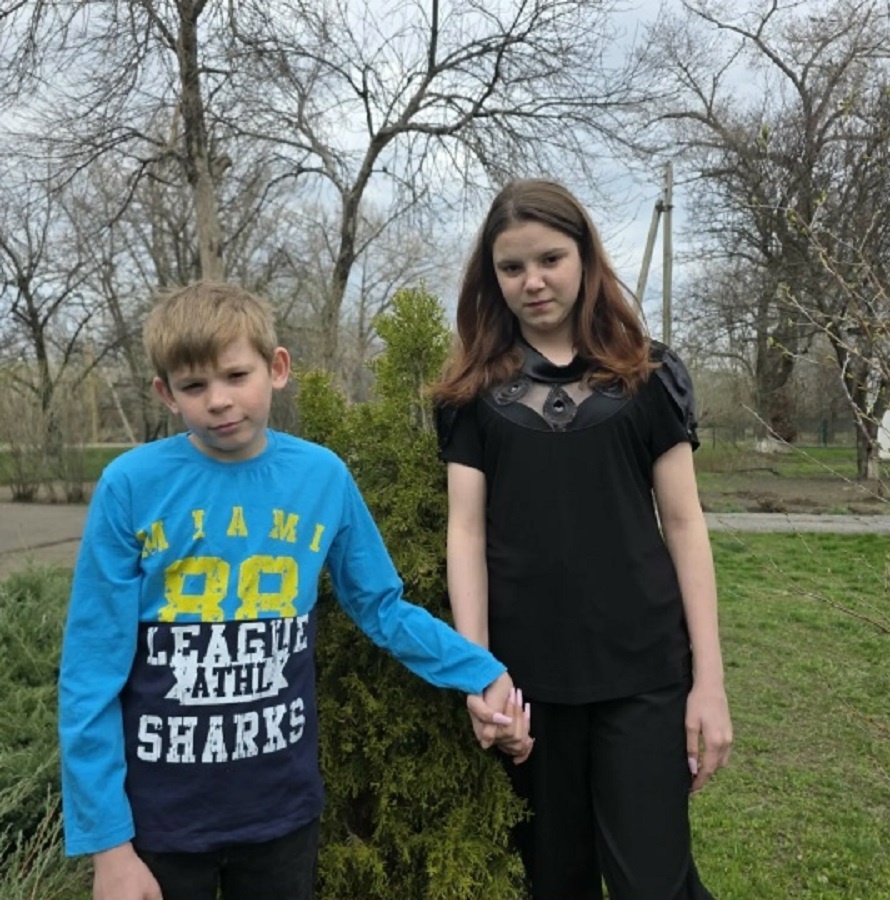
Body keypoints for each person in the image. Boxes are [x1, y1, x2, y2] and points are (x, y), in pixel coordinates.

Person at [58, 281, 531, 900]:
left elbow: (382, 608)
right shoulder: (130, 486)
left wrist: (481, 671)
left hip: (281, 814)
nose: (219, 400)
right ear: (166, 394)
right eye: (194, 386)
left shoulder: (321, 477)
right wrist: (109, 848)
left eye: (236, 375)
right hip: (159, 823)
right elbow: (91, 672)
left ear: (277, 368)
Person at [431, 178, 734, 899]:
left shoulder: (648, 376)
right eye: (512, 267)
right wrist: (479, 673)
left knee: (653, 882)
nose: (533, 281)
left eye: (550, 259)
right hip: (529, 686)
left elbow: (685, 525)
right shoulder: (472, 394)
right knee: (552, 881)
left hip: (646, 675)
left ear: (585, 258)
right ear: (492, 276)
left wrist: (710, 683)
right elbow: (465, 533)